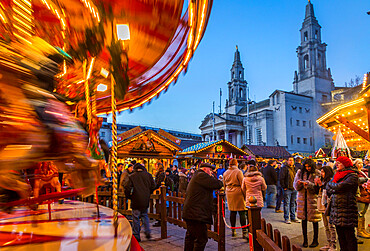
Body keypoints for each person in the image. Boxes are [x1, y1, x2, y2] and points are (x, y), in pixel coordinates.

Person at [183, 163, 223, 251]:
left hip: (192, 212)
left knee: (191, 237)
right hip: (196, 214)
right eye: (210, 170)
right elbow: (217, 184)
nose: (211, 172)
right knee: (201, 239)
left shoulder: (197, 175)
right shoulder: (201, 176)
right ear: (205, 169)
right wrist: (221, 180)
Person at [326, 156, 359, 251]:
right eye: (337, 162)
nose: (337, 164)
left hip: (347, 210)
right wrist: (333, 187)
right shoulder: (337, 175)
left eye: (339, 163)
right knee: (341, 237)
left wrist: (331, 185)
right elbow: (329, 189)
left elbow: (340, 186)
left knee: (349, 237)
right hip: (336, 211)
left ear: (345, 164)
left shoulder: (352, 176)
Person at [293, 158, 322, 248]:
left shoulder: (317, 173)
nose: (307, 168)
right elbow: (295, 186)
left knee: (315, 221)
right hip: (302, 199)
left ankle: (315, 240)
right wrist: (300, 184)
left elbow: (318, 189)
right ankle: (305, 240)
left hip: (312, 200)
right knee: (303, 220)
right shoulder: (300, 172)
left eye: (309, 167)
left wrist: (308, 185)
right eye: (306, 167)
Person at [124, 163, 156, 242]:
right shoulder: (148, 175)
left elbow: (127, 187)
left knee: (136, 217)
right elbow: (153, 186)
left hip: (135, 198)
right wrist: (148, 192)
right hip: (145, 199)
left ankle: (136, 235)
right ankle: (147, 232)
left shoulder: (132, 176)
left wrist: (129, 196)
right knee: (144, 215)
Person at [223, 159, 247, 238]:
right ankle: (244, 231)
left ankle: (233, 230)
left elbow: (224, 184)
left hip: (229, 192)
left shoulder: (226, 172)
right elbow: (242, 184)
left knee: (232, 211)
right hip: (238, 192)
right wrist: (245, 194)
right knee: (242, 212)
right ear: (236, 164)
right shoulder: (238, 172)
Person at [315, 166, 336, 251]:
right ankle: (329, 243)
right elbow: (317, 192)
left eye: (323, 172)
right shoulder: (323, 181)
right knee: (326, 226)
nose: (321, 173)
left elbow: (330, 192)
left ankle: (333, 245)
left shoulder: (331, 181)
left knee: (331, 226)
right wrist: (318, 185)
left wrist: (321, 185)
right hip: (323, 206)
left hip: (329, 206)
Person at [353, 159, 370, 239]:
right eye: (358, 163)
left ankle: (362, 230)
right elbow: (356, 181)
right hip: (360, 195)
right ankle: (360, 231)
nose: (360, 164)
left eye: (361, 163)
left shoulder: (364, 172)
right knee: (360, 213)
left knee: (363, 213)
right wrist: (366, 180)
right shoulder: (355, 173)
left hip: (366, 195)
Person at [280, 157, 299, 224]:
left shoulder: (295, 168)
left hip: (294, 188)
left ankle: (293, 217)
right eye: (290, 160)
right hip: (287, 188)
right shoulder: (284, 168)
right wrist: (284, 187)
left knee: (293, 203)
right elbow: (281, 178)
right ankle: (287, 218)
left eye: (292, 160)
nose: (291, 162)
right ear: (287, 161)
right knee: (287, 203)